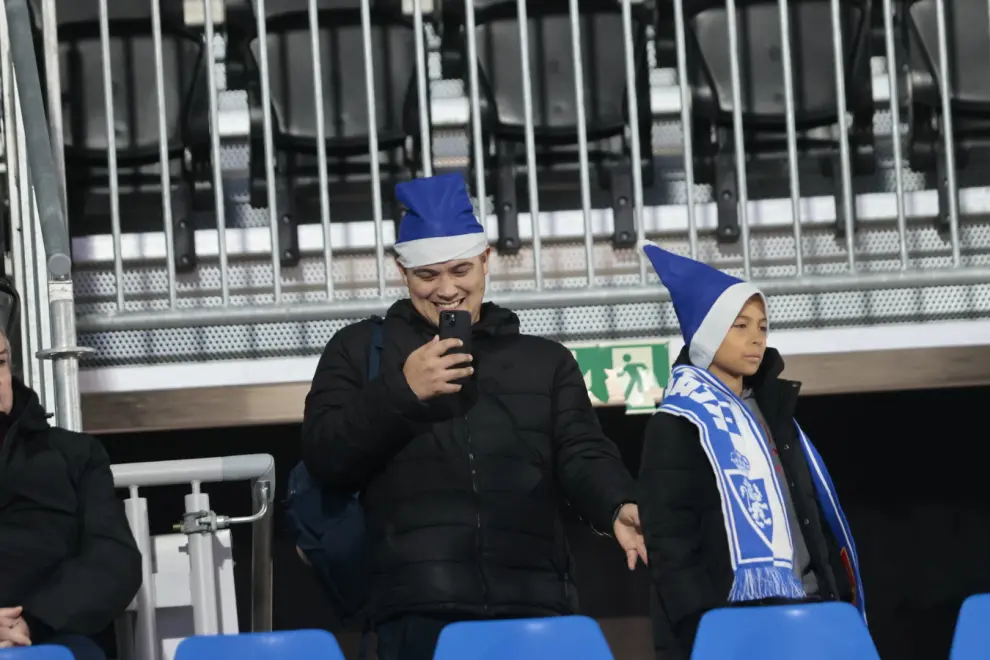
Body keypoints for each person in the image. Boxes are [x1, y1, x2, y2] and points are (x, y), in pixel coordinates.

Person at [301, 173, 645, 660]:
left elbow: (582, 451)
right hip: (416, 613)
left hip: (535, 607)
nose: (446, 289)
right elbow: (324, 454)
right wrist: (402, 391)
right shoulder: (358, 350)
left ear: (485, 260)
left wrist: (616, 503)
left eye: (460, 269)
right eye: (427, 275)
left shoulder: (543, 360)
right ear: (402, 271)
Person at [636, 243, 865, 660]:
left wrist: (834, 596)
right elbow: (671, 543)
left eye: (762, 326)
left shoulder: (776, 414)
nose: (756, 338)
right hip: (733, 624)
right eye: (740, 326)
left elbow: (807, 516)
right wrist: (705, 629)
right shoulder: (679, 422)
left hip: (810, 611)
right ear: (708, 332)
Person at [0, 331, 142, 659]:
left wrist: (31, 621)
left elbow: (114, 560)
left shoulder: (74, 454)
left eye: (0, 362)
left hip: (51, 637)